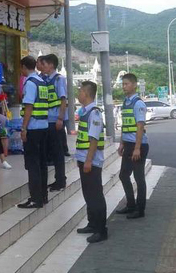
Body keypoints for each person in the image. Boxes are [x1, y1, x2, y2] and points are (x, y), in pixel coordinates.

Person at [75, 81, 108, 244]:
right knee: (88, 194)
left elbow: (93, 140)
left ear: (86, 94)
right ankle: (92, 223)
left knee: (95, 196)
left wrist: (88, 161)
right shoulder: (85, 112)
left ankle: (101, 230)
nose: (78, 94)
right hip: (84, 160)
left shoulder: (94, 113)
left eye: (80, 91)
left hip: (92, 163)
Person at [18, 56, 49, 209]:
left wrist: (24, 128)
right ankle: (43, 196)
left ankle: (35, 199)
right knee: (42, 163)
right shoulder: (42, 81)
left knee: (33, 164)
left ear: (24, 67)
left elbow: (29, 107)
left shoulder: (30, 83)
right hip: (43, 126)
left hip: (33, 128)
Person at [116, 73, 149, 219]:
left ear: (134, 85)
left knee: (139, 177)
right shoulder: (125, 103)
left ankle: (140, 209)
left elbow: (140, 126)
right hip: (128, 144)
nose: (124, 87)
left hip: (138, 145)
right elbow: (125, 125)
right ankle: (130, 205)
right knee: (124, 175)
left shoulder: (138, 103)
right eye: (123, 84)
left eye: (126, 84)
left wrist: (137, 148)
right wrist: (122, 143)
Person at [42, 54, 67, 191]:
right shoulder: (46, 80)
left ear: (51, 65)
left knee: (58, 152)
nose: (43, 67)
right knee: (51, 151)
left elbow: (63, 100)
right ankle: (58, 179)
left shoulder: (58, 79)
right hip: (48, 120)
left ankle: (61, 180)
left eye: (44, 64)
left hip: (55, 120)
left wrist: (60, 118)